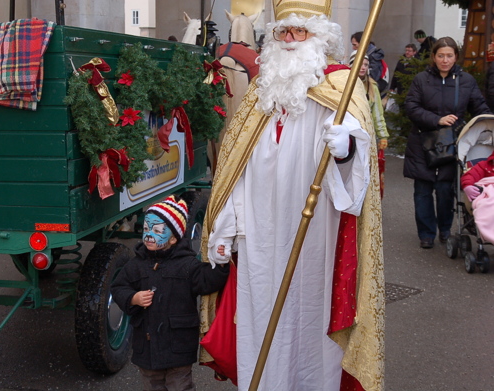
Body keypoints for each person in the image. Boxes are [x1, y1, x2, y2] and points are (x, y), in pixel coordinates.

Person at [199, 1, 385, 390]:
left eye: (299, 32)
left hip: (315, 239)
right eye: (282, 32)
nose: (288, 40)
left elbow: (357, 186)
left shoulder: (340, 89)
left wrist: (347, 149)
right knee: (260, 316)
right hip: (259, 242)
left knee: (309, 323)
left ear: (318, 38)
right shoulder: (260, 96)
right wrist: (227, 227)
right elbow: (237, 171)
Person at [110, 195, 230, 391]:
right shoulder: (137, 264)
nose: (149, 235)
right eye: (146, 229)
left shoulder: (187, 264)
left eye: (157, 231)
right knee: (152, 385)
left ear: (173, 238)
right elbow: (118, 287)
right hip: (147, 349)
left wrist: (222, 263)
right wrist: (134, 298)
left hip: (178, 346)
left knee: (180, 386)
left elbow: (207, 281)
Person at [404, 37, 490, 249]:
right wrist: (437, 120)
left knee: (445, 190)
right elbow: (411, 107)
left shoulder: (466, 81)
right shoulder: (421, 79)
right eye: (440, 55)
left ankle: (444, 230)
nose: (445, 60)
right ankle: (426, 233)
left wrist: (489, 122)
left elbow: (479, 107)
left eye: (449, 56)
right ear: (433, 57)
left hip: (451, 143)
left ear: (456, 57)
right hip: (422, 142)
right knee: (423, 190)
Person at [349, 50, 389, 150]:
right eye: (359, 64)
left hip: (366, 133)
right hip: (348, 133)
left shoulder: (372, 86)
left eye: (366, 65)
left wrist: (382, 135)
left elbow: (377, 113)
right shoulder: (344, 84)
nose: (363, 68)